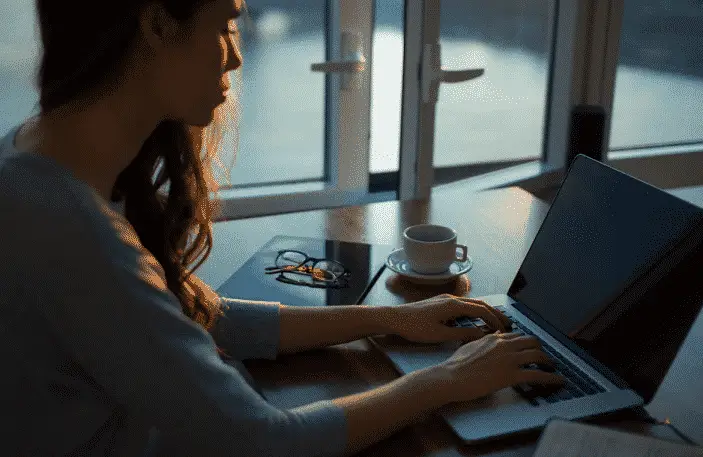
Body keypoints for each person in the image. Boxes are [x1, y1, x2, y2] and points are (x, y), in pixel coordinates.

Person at [0, 0, 563, 455]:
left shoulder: (32, 157)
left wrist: (393, 319)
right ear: (155, 24)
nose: (234, 58)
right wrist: (446, 380)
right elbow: (263, 440)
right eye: (224, 25)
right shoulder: (75, 234)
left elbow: (194, 316)